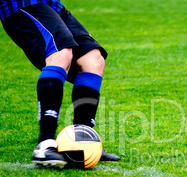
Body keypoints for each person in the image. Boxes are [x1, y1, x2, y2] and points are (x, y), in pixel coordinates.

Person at [1, 0, 120, 167]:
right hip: (22, 4)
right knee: (60, 53)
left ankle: (82, 140)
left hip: (52, 5)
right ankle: (45, 144)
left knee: (93, 60)